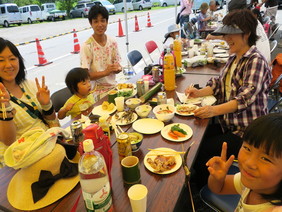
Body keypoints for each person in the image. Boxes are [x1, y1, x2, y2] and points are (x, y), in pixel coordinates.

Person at [185, 9, 271, 188]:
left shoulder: (255, 61)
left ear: (246, 34)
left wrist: (212, 110)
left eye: (232, 34)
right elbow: (218, 84)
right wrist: (198, 93)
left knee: (202, 151)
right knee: (194, 139)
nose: (226, 38)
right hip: (228, 124)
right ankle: (200, 178)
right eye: (226, 34)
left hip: (247, 132)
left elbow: (243, 99)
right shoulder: (234, 57)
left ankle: (204, 188)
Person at [0, 37, 59, 167]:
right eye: (1, 60)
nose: (8, 65)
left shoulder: (28, 85)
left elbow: (51, 120)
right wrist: (5, 108)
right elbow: (9, 141)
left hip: (48, 144)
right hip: (24, 158)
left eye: (12, 59)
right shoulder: (1, 97)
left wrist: (46, 105)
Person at [206, 113, 282, 211]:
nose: (249, 163)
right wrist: (217, 178)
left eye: (265, 159)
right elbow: (219, 188)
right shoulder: (251, 182)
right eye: (247, 148)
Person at [80, 5, 122, 101]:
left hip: (114, 87)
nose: (100, 24)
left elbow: (119, 65)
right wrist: (105, 72)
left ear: (107, 22)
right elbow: (85, 77)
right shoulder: (87, 46)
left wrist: (118, 69)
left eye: (103, 20)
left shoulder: (112, 42)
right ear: (91, 23)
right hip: (95, 92)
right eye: (96, 21)